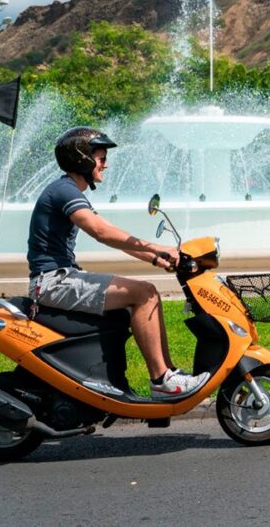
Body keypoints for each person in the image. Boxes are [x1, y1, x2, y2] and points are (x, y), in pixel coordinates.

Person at [28, 127, 210, 398]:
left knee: (148, 293)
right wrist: (157, 248)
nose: (106, 164)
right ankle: (162, 380)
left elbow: (113, 237)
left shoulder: (68, 191)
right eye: (101, 158)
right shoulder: (64, 191)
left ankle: (169, 373)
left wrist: (156, 258)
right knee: (144, 294)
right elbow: (102, 232)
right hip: (53, 282)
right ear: (82, 160)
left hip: (60, 277)